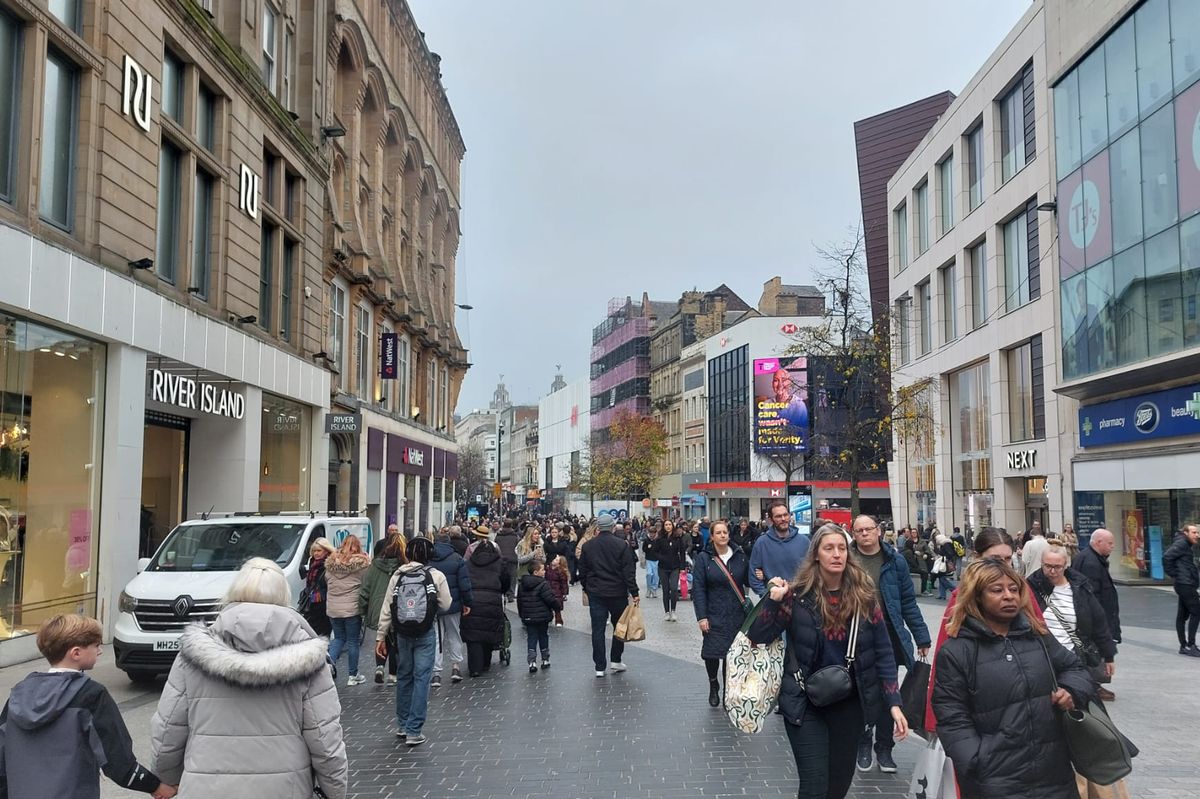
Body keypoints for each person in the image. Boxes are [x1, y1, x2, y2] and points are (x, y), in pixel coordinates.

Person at [151, 558, 347, 798]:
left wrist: (167, 779)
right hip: (284, 789)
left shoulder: (193, 654)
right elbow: (325, 739)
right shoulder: (310, 660)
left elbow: (167, 728)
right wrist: (335, 791)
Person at [749, 524, 907, 799]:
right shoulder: (796, 596)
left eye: (842, 548)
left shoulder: (864, 598)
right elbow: (758, 636)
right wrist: (772, 602)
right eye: (829, 548)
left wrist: (893, 703)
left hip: (849, 704)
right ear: (816, 555)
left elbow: (883, 652)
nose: (836, 554)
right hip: (804, 703)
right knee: (814, 787)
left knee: (837, 787)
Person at [932, 558, 1094, 799]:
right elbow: (951, 715)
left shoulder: (1037, 636)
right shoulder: (958, 651)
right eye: (997, 590)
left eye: (1014, 589)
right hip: (995, 781)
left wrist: (1071, 690)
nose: (1009, 596)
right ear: (977, 597)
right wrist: (976, 760)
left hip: (1053, 774)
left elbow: (1076, 668)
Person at [0, 615, 175, 799]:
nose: (100, 651)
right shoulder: (91, 695)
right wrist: (156, 786)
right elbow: (119, 764)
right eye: (96, 645)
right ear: (76, 653)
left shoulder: (17, 696)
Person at [849, 514, 931, 774]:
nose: (864, 534)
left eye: (868, 529)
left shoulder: (895, 561)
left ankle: (884, 748)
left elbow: (907, 601)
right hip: (855, 638)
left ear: (878, 531)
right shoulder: (847, 559)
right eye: (859, 530)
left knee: (888, 693)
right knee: (862, 693)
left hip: (889, 636)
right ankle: (863, 742)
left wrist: (921, 636)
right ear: (853, 533)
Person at [375, 536, 451, 746]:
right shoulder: (436, 575)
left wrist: (380, 636)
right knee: (422, 678)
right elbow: (446, 604)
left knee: (404, 676)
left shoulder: (398, 575)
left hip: (402, 633)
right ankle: (414, 730)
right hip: (425, 631)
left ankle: (402, 724)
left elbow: (387, 607)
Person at [1028, 544, 1118, 701]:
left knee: (1074, 700)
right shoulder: (1031, 587)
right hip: (1042, 658)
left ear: (1066, 565)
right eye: (1047, 566)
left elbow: (1098, 623)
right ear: (1041, 563)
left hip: (1074, 657)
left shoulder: (1080, 587)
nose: (1052, 571)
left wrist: (1108, 656)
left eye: (1057, 567)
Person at [691, 520, 749, 708]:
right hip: (713, 613)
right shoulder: (704, 558)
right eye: (719, 533)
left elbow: (747, 579)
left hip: (735, 614)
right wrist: (702, 616)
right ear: (712, 536)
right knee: (711, 653)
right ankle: (713, 683)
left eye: (725, 532)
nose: (723, 535)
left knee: (731, 655)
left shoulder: (739, 556)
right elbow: (698, 588)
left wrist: (760, 574)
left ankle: (727, 692)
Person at [578, 514, 640, 677]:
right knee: (619, 626)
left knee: (597, 629)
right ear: (613, 527)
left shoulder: (588, 546)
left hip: (596, 591)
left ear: (598, 528)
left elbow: (582, 570)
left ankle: (599, 666)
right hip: (617, 592)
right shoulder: (621, 545)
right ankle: (616, 659)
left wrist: (586, 587)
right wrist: (634, 591)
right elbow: (628, 571)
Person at [461, 526, 511, 677]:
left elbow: (464, 580)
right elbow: (506, 581)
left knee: (473, 634)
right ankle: (486, 663)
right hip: (492, 600)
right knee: (489, 631)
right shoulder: (499, 563)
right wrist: (501, 591)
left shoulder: (468, 564)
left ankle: (475, 667)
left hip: (473, 600)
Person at [324, 535, 371, 686]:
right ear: (358, 547)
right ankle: (353, 675)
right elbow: (367, 583)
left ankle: (329, 665)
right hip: (352, 608)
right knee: (352, 641)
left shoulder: (331, 563)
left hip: (333, 608)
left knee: (338, 638)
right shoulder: (361, 565)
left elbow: (327, 581)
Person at [430, 531, 474, 686]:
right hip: (453, 604)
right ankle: (456, 667)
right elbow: (464, 583)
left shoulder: (428, 559)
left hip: (434, 605)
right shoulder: (457, 558)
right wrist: (468, 602)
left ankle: (436, 673)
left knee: (436, 638)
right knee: (454, 634)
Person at [359, 534, 402, 684]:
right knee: (395, 640)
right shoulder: (403, 565)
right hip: (397, 607)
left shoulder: (375, 565)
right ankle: (393, 674)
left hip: (377, 606)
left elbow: (364, 590)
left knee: (381, 636)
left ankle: (379, 666)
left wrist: (363, 610)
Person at [1072, 528, 1122, 651]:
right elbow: (1092, 597)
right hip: (1096, 626)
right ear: (1099, 542)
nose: (1113, 547)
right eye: (1110, 543)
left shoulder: (1088, 557)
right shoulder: (1091, 563)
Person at [749, 500, 811, 597]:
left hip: (800, 599)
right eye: (778, 516)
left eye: (785, 515)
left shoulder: (804, 542)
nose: (783, 519)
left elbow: (813, 570)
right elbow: (753, 575)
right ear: (771, 520)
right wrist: (766, 595)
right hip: (773, 600)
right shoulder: (761, 543)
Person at [517, 559, 562, 673]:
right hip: (542, 616)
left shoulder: (522, 585)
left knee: (531, 637)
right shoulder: (543, 584)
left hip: (529, 616)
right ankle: (545, 659)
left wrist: (522, 614)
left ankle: (532, 661)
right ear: (536, 572)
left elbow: (520, 601)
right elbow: (550, 599)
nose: (545, 571)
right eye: (542, 570)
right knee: (543, 636)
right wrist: (557, 607)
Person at [1163, 523, 1200, 658]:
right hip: (1185, 584)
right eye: (1194, 532)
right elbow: (1167, 557)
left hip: (1185, 583)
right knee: (1196, 611)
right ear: (1186, 533)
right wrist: (1174, 574)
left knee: (1182, 615)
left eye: (1197, 532)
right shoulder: (1182, 544)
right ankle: (1190, 645)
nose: (1197, 535)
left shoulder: (1184, 544)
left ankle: (1184, 646)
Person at [300, 538, 336, 637]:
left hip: (323, 602)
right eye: (314, 551)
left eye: (319, 550)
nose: (316, 553)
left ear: (326, 551)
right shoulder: (312, 563)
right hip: (312, 602)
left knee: (322, 631)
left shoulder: (330, 565)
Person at [657, 519, 690, 621]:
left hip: (675, 567)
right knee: (666, 590)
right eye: (666, 525)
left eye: (669, 524)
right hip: (663, 567)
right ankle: (667, 612)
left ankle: (673, 610)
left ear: (672, 526)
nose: (668, 526)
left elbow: (682, 553)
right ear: (663, 526)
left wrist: (682, 567)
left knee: (674, 588)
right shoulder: (660, 539)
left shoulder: (677, 538)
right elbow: (655, 551)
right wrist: (661, 557)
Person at [495, 520, 520, 602]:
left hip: (501, 559)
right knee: (512, 578)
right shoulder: (515, 536)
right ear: (511, 525)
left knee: (501, 576)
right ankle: (510, 595)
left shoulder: (498, 536)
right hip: (512, 559)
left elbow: (495, 547)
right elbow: (518, 547)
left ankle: (502, 593)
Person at [547, 555, 570, 626]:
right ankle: (549, 619)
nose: (554, 560)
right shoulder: (548, 568)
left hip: (557, 592)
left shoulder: (560, 571)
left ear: (559, 564)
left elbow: (564, 583)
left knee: (557, 608)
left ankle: (559, 621)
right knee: (547, 606)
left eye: (556, 560)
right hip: (548, 590)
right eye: (554, 559)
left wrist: (564, 593)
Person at [641, 524, 663, 599]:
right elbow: (644, 549)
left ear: (655, 533)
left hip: (656, 560)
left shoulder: (658, 540)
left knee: (656, 576)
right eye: (650, 533)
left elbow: (661, 549)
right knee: (649, 574)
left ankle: (654, 589)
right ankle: (649, 588)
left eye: (653, 533)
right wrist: (648, 548)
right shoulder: (646, 540)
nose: (651, 535)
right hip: (649, 559)